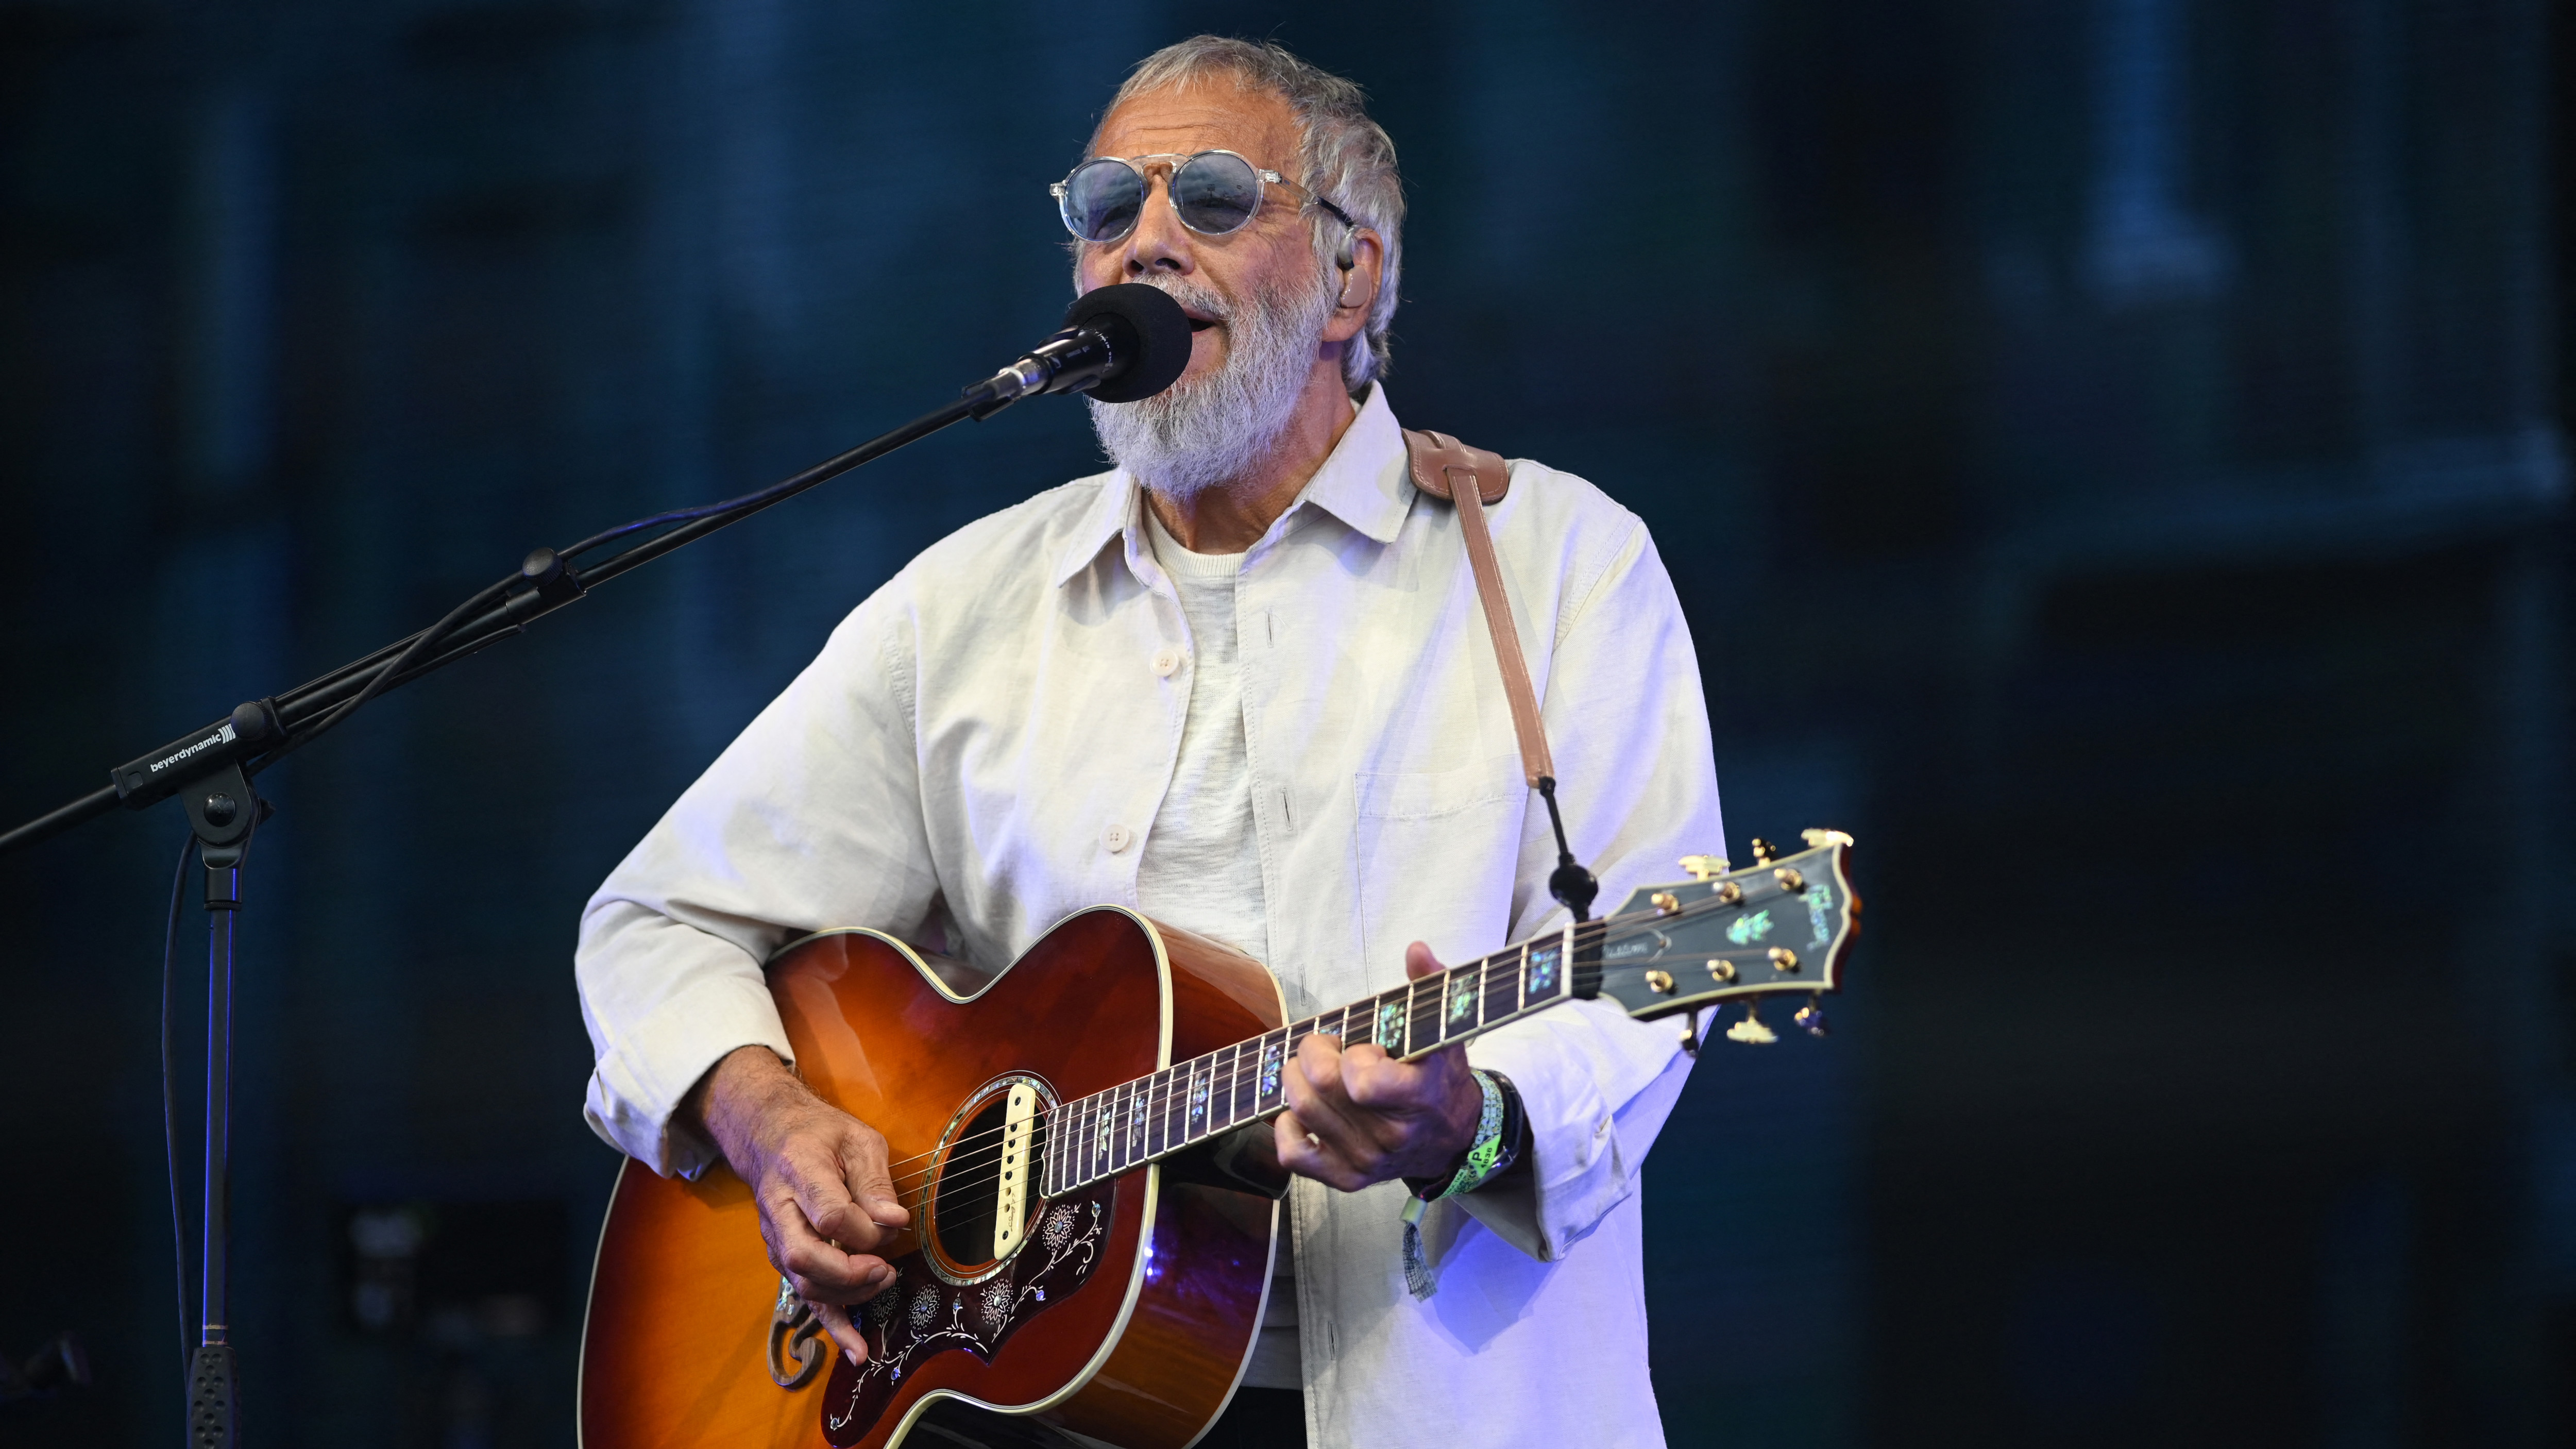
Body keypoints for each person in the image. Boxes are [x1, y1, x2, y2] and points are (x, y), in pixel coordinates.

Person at [575, 35, 1721, 1449]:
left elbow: (1647, 975)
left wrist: (1470, 1119)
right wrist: (768, 1118)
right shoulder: (967, 606)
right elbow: (655, 924)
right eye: (1109, 208)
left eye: (1218, 199)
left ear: (1351, 278)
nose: (1148, 242)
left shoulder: (1559, 566)